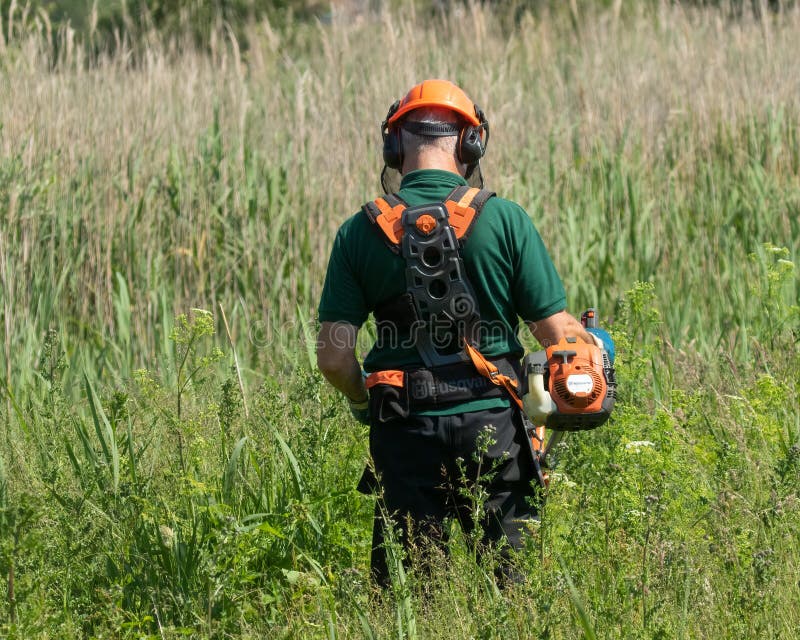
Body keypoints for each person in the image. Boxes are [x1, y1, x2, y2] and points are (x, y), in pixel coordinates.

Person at [316, 79, 609, 586]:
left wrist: (364, 404)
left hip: (403, 429)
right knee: (515, 591)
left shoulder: (357, 233)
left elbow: (334, 359)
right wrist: (594, 350)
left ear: (394, 144)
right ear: (470, 143)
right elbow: (559, 335)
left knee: (411, 601)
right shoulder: (506, 220)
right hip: (495, 428)